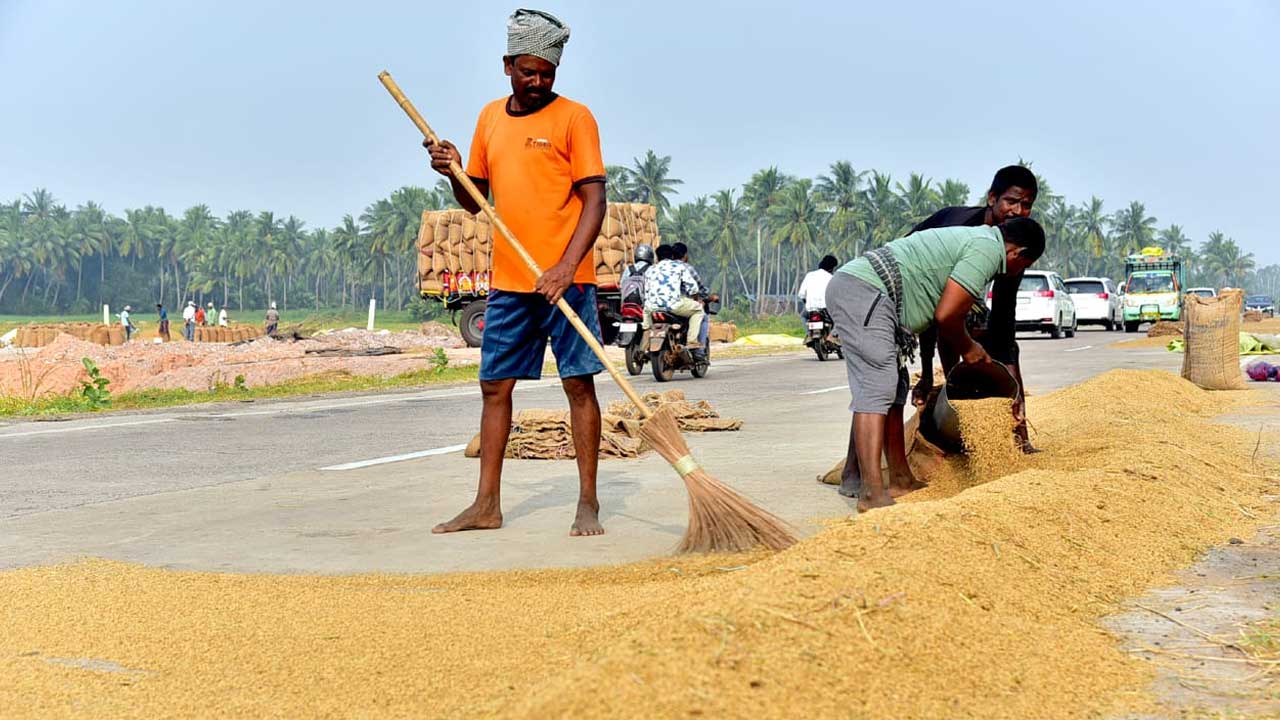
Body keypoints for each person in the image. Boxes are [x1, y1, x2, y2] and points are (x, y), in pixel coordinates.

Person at [423, 8, 607, 537]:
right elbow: (475, 202)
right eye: (529, 72)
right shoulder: (490, 118)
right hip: (510, 282)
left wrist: (566, 266)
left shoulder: (575, 118)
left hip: (568, 281)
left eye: (546, 73)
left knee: (578, 385)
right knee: (494, 388)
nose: (538, 82)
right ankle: (486, 505)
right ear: (508, 66)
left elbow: (595, 201)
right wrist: (453, 169)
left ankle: (588, 502)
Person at [837, 165, 1040, 498]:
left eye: (1026, 205)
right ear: (992, 199)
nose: (1017, 211)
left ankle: (899, 477)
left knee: (892, 384)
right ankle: (861, 479)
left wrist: (1016, 406)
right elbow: (942, 315)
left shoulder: (1011, 248)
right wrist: (936, 372)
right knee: (877, 385)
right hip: (884, 290)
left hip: (902, 303)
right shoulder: (979, 240)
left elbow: (1002, 327)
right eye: (1011, 201)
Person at [644, 243, 707, 360]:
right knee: (698, 310)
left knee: (647, 327)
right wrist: (696, 299)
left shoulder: (650, 270)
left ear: (657, 258)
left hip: (651, 307)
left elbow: (646, 290)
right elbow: (693, 287)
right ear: (672, 256)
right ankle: (692, 341)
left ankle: (643, 347)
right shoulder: (679, 267)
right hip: (673, 305)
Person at [670, 242, 716, 346]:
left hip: (662, 304)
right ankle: (697, 348)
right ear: (685, 255)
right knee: (702, 315)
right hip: (681, 303)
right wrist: (706, 297)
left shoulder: (662, 268)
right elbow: (697, 287)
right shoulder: (686, 268)